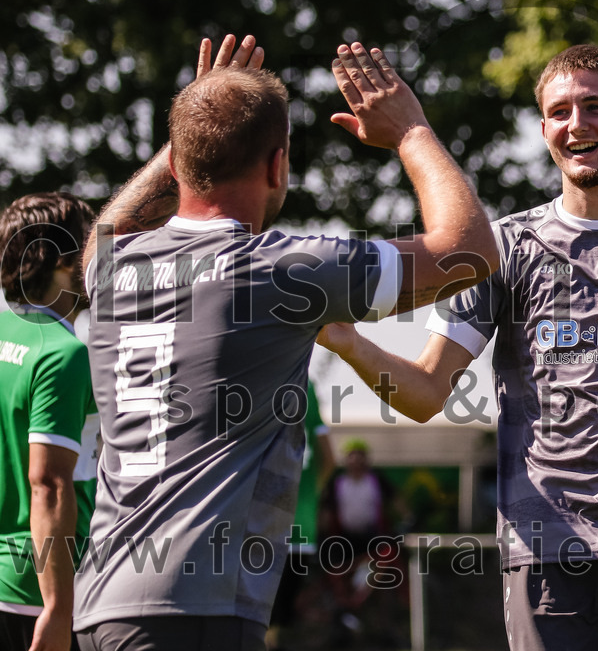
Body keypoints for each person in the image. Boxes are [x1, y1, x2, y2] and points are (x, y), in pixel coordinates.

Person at [72, 33, 498, 651]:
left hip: (103, 602)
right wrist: (411, 133)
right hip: (197, 610)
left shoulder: (114, 269)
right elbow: (469, 251)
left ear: (183, 160)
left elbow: (109, 231)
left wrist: (191, 130)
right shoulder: (279, 270)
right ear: (277, 166)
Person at [317, 44, 598, 651]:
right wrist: (346, 340)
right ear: (544, 128)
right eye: (560, 111)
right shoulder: (504, 248)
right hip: (546, 547)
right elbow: (423, 392)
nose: (577, 124)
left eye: (596, 107)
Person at [0, 192, 100, 651]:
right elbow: (50, 485)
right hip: (34, 592)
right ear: (63, 260)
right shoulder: (61, 352)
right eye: (93, 248)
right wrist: (59, 607)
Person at [265, 381, 334, 651]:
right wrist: (310, 497)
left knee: (259, 614)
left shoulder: (258, 381)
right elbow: (329, 458)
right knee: (280, 617)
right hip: (301, 528)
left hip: (262, 528)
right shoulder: (306, 387)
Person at [318, 438, 394, 635]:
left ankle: (360, 601)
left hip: (371, 536)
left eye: (360, 457)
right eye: (352, 457)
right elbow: (327, 511)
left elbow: (396, 500)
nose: (356, 461)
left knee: (386, 558)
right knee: (335, 567)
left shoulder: (375, 480)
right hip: (344, 538)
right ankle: (343, 606)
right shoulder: (338, 483)